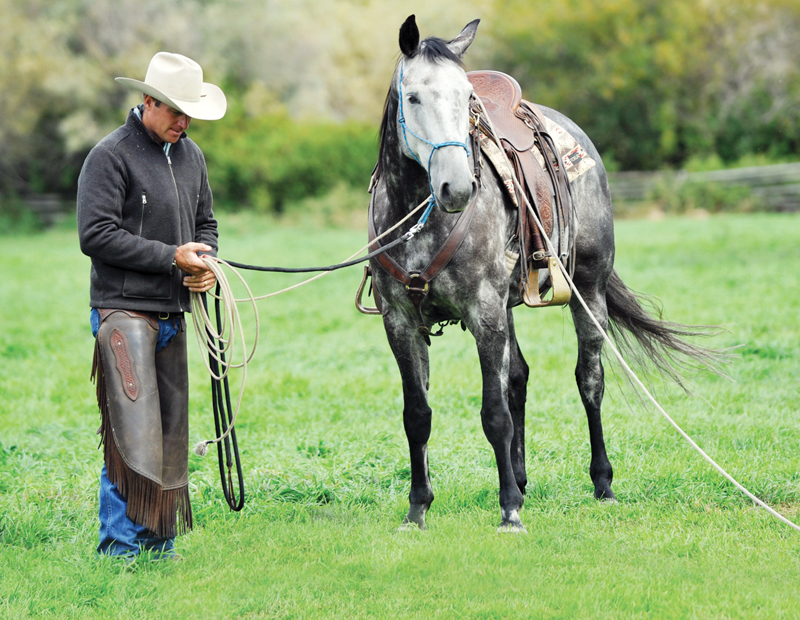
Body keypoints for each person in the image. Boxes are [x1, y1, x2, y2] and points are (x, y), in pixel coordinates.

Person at [77, 52, 227, 560]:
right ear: (148, 102)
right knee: (130, 435)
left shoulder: (192, 157)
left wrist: (205, 260)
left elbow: (206, 227)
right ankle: (119, 549)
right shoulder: (110, 156)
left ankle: (158, 543)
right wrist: (172, 258)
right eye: (176, 112)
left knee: (169, 434)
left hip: (173, 312)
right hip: (123, 312)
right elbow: (95, 234)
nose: (184, 122)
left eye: (189, 114)